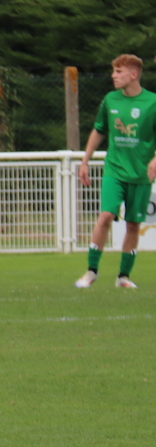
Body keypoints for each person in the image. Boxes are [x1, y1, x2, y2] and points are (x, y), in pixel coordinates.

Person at [74, 54, 156, 290]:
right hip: (114, 170)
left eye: (119, 72)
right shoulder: (110, 100)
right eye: (113, 71)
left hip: (141, 174)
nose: (113, 76)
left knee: (133, 225)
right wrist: (84, 162)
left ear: (134, 74)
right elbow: (99, 130)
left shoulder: (152, 102)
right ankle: (91, 271)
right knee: (106, 216)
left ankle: (123, 277)